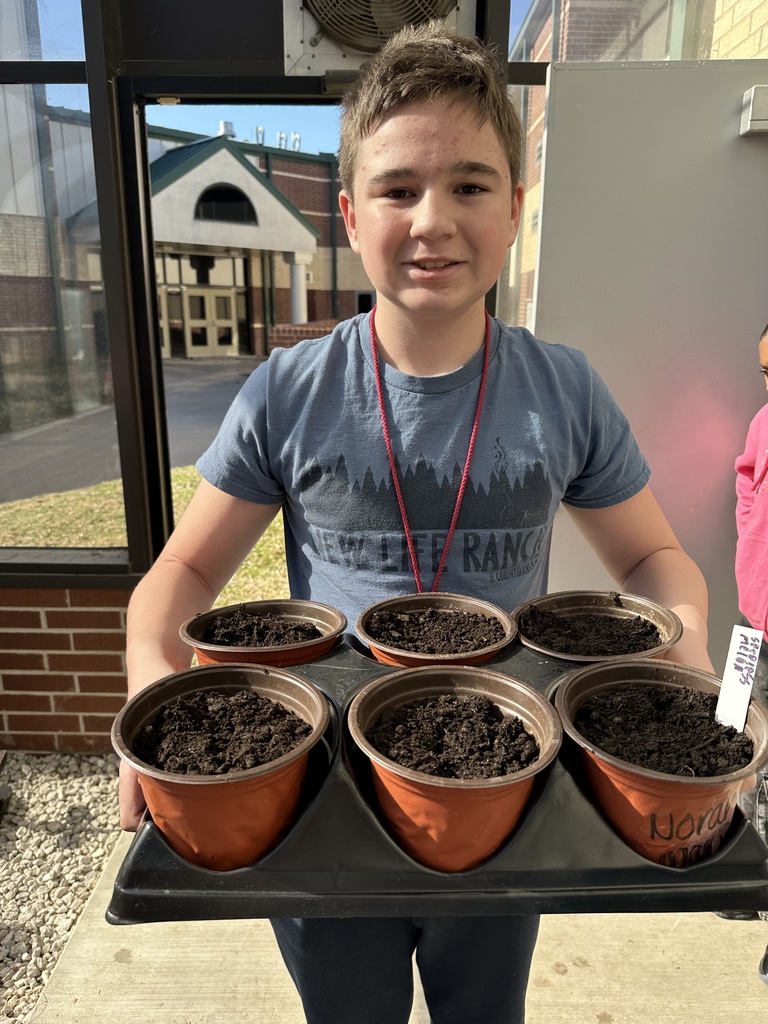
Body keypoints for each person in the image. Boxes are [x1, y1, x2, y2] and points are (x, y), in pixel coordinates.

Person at [121, 22, 714, 1024]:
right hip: (323, 797)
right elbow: (180, 574)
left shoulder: (560, 390)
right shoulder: (291, 390)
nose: (432, 219)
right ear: (350, 214)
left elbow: (654, 556)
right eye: (399, 189)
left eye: (471, 185)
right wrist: (151, 682)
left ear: (517, 208)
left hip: (500, 780)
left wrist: (690, 650)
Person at [733, 322, 768, 926]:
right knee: (728, 727)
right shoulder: (764, 421)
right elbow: (745, 477)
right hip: (751, 614)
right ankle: (730, 862)